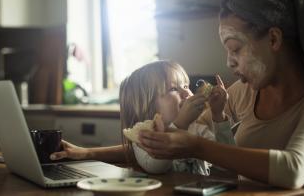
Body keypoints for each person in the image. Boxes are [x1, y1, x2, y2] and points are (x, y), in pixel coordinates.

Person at [138, 0, 304, 195]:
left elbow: (293, 170)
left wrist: (197, 147)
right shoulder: (246, 91)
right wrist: (101, 153)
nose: (229, 62)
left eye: (235, 49)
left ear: (273, 39)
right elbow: (186, 130)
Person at [51, 60, 218, 174]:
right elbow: (155, 167)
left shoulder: (198, 127)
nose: (186, 92)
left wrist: (219, 116)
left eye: (186, 86)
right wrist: (180, 124)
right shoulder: (144, 135)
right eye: (173, 89)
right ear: (149, 107)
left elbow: (224, 163)